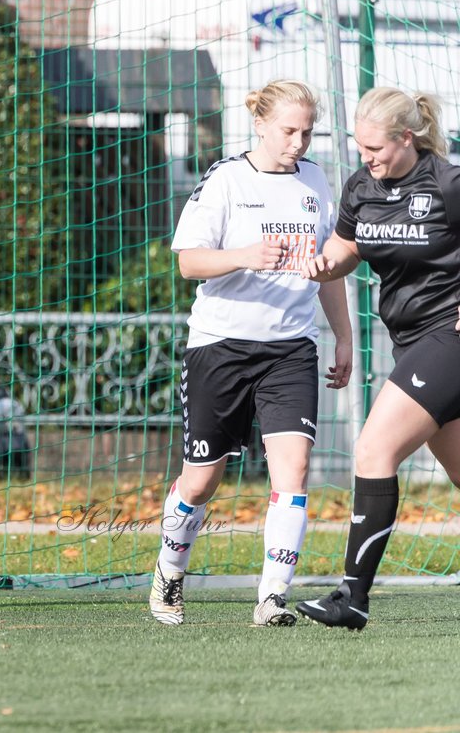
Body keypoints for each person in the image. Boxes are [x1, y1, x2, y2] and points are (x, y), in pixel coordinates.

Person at [149, 80, 353, 627]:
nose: (299, 142)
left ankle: (272, 598)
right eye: (289, 130)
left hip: (290, 348)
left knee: (296, 468)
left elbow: (327, 266)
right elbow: (189, 262)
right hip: (222, 346)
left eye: (307, 131)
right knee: (201, 480)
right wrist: (244, 255)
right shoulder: (226, 179)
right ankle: (170, 570)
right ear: (260, 125)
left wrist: (344, 335)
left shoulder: (314, 181)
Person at [296, 87, 460, 630]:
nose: (368, 157)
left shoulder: (446, 183)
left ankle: (352, 598)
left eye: (376, 148)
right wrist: (325, 265)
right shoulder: (362, 186)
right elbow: (348, 246)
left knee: (372, 449)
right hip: (412, 341)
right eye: (360, 147)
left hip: (450, 338)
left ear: (406, 138)